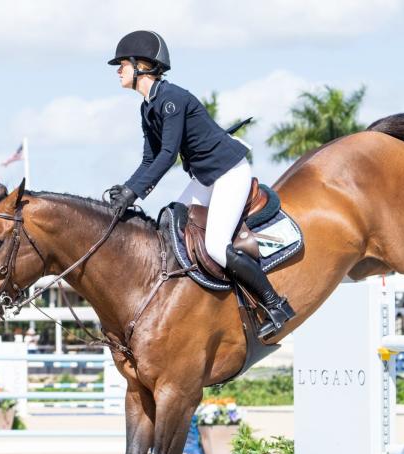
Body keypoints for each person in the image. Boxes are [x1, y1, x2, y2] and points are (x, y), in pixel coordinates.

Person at [105, 30, 295, 340]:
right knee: (169, 221)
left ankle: (275, 305)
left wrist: (134, 192)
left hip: (229, 173)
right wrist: (126, 191)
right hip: (207, 178)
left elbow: (167, 156)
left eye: (122, 64)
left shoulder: (171, 100)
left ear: (142, 65)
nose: (118, 70)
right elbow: (149, 158)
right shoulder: (148, 107)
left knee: (217, 247)